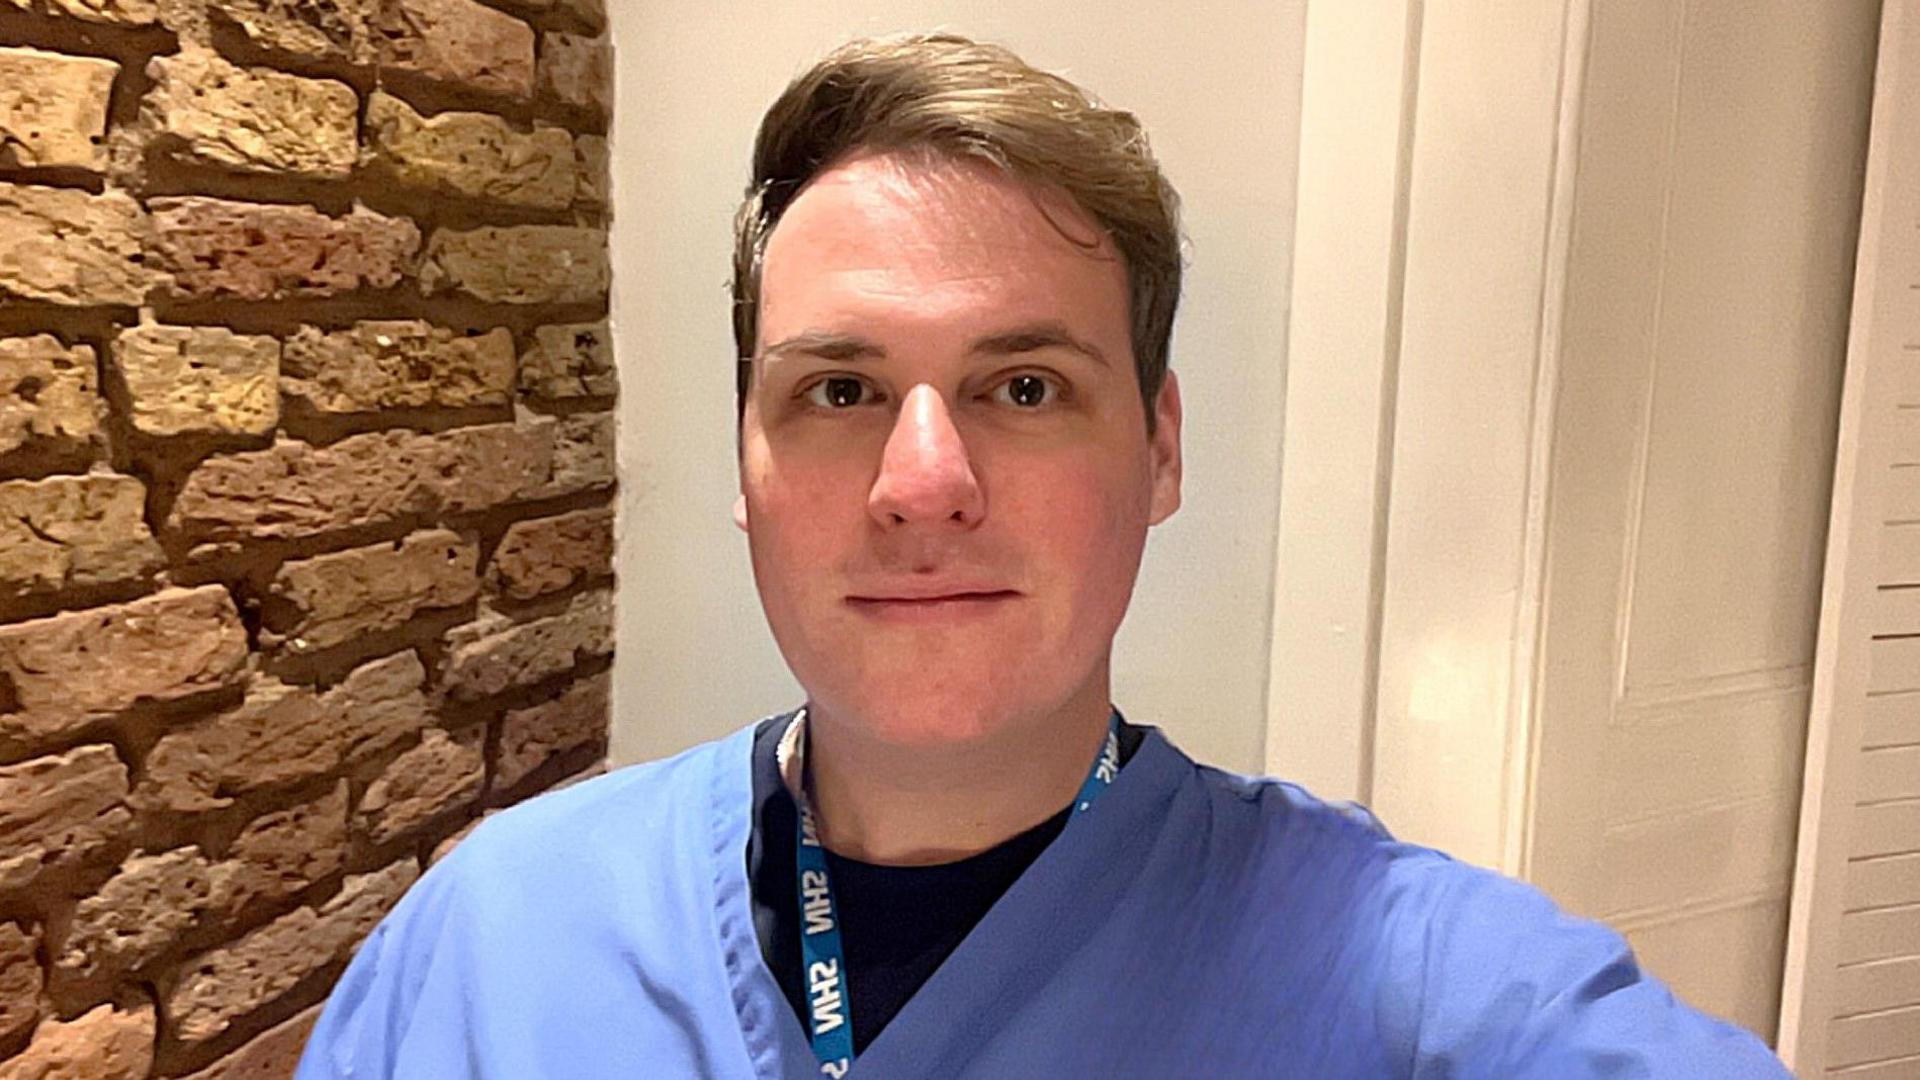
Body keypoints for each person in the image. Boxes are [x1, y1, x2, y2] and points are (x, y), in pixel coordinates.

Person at [297, 33, 1789, 1079]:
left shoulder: (1410, 989)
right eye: (839, 389)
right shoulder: (490, 945)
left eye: (1024, 388)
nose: (921, 482)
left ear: (1160, 450)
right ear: (744, 470)